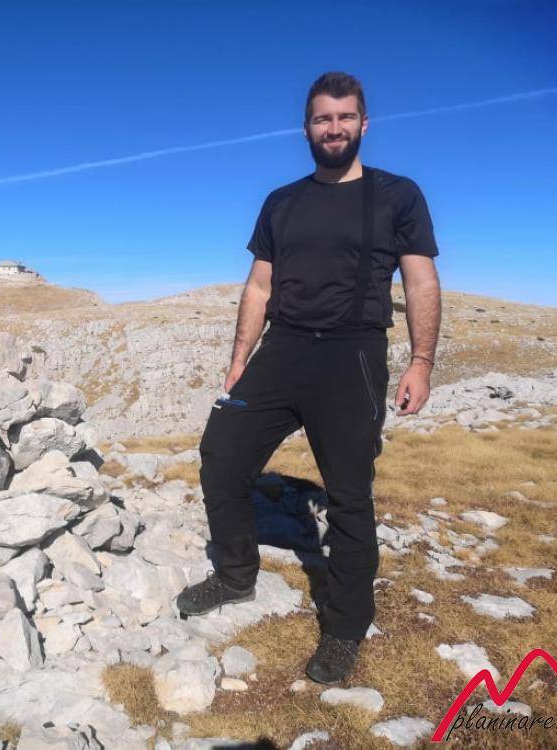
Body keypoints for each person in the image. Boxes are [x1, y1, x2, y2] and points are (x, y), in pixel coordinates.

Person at [175, 71, 442, 685]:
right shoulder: (281, 201)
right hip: (281, 351)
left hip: (353, 355)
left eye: (345, 117)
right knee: (221, 453)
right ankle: (235, 575)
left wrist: (421, 362)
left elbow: (420, 281)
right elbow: (259, 285)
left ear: (364, 124)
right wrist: (240, 357)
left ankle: (345, 627)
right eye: (323, 118)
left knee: (348, 493)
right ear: (306, 128)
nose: (334, 128)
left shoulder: (397, 195)